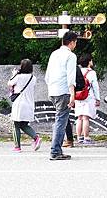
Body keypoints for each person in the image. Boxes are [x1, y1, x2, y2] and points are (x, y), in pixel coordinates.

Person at [45, 31, 78, 160]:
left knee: (60, 119)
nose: (75, 45)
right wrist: (72, 94)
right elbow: (71, 77)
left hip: (52, 91)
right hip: (63, 91)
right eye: (75, 42)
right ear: (71, 42)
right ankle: (55, 151)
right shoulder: (70, 56)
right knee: (61, 121)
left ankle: (56, 149)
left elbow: (47, 75)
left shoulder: (54, 54)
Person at [8, 58, 41, 152]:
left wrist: (14, 74)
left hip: (19, 104)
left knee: (16, 125)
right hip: (29, 103)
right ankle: (36, 138)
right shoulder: (33, 78)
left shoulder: (18, 77)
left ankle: (17, 146)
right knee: (24, 124)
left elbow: (9, 83)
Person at [74, 53, 101, 144]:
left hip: (78, 96)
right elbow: (95, 87)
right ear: (89, 62)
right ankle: (86, 137)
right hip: (88, 97)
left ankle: (79, 137)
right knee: (85, 118)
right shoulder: (92, 73)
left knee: (79, 117)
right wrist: (98, 98)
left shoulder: (77, 71)